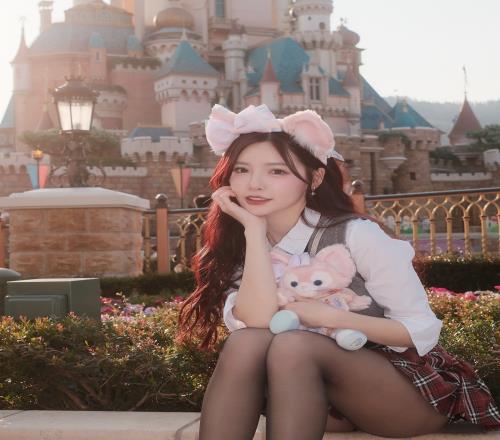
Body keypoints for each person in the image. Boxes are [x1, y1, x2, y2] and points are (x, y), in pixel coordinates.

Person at [178, 104, 500, 439]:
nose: (254, 184)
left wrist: (332, 317)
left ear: (315, 178)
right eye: (242, 170)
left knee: (294, 345)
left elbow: (419, 330)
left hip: (400, 395)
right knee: (246, 341)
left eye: (277, 172)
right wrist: (254, 233)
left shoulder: (356, 234)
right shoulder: (242, 241)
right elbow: (256, 321)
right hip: (322, 401)